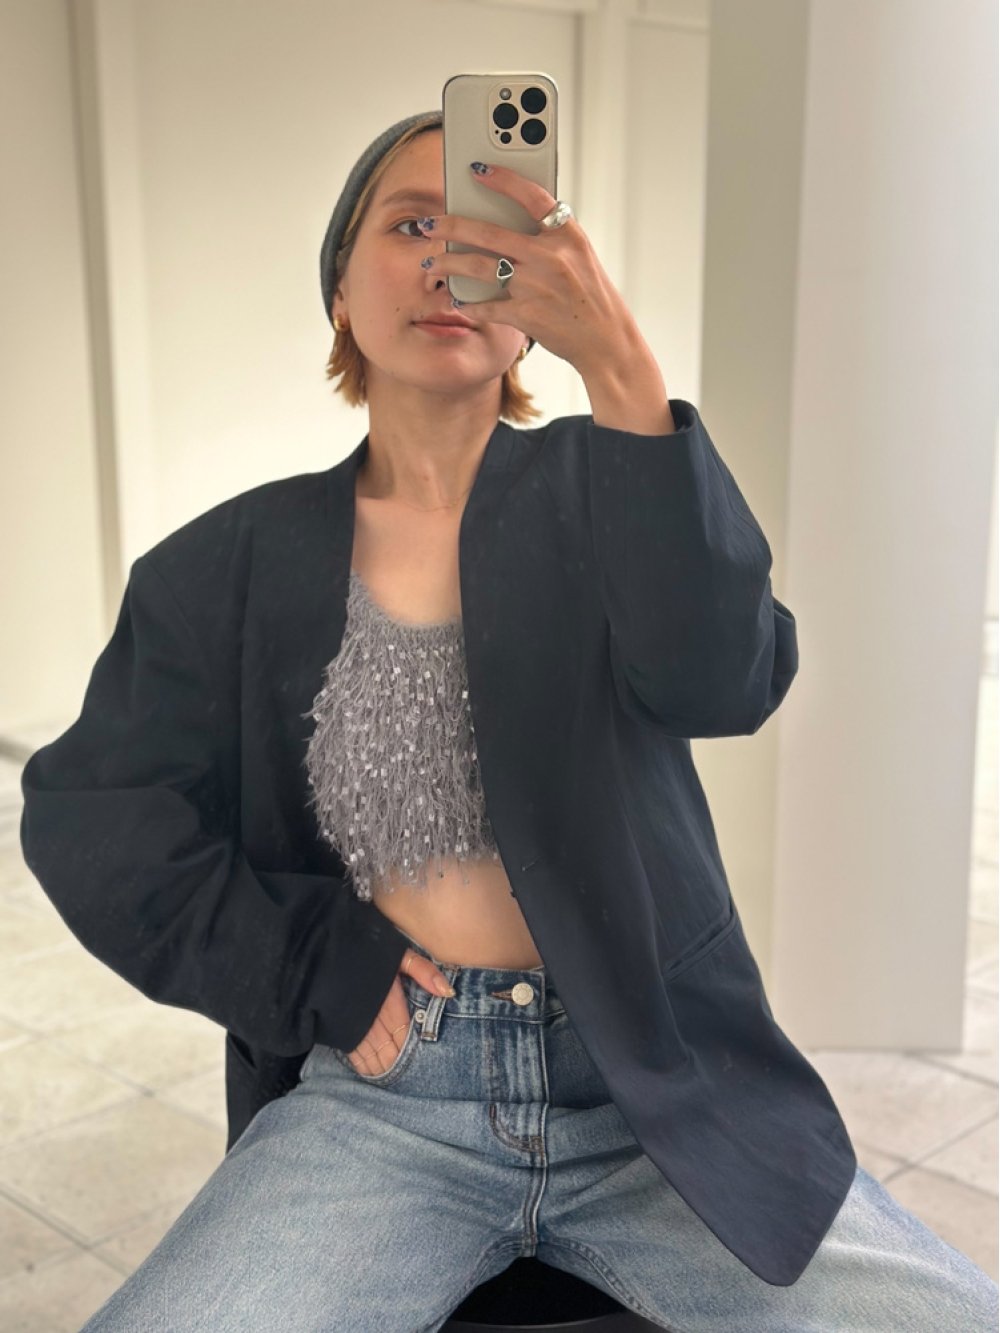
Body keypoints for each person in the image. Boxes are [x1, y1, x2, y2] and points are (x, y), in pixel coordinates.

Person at [20, 109, 997, 1331]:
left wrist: (622, 367)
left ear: (531, 297)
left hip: (652, 1083)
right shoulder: (221, 569)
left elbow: (726, 679)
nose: (446, 260)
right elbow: (94, 820)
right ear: (339, 291)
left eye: (485, 233)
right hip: (389, 1101)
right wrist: (308, 963)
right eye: (408, 226)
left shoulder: (616, 481)